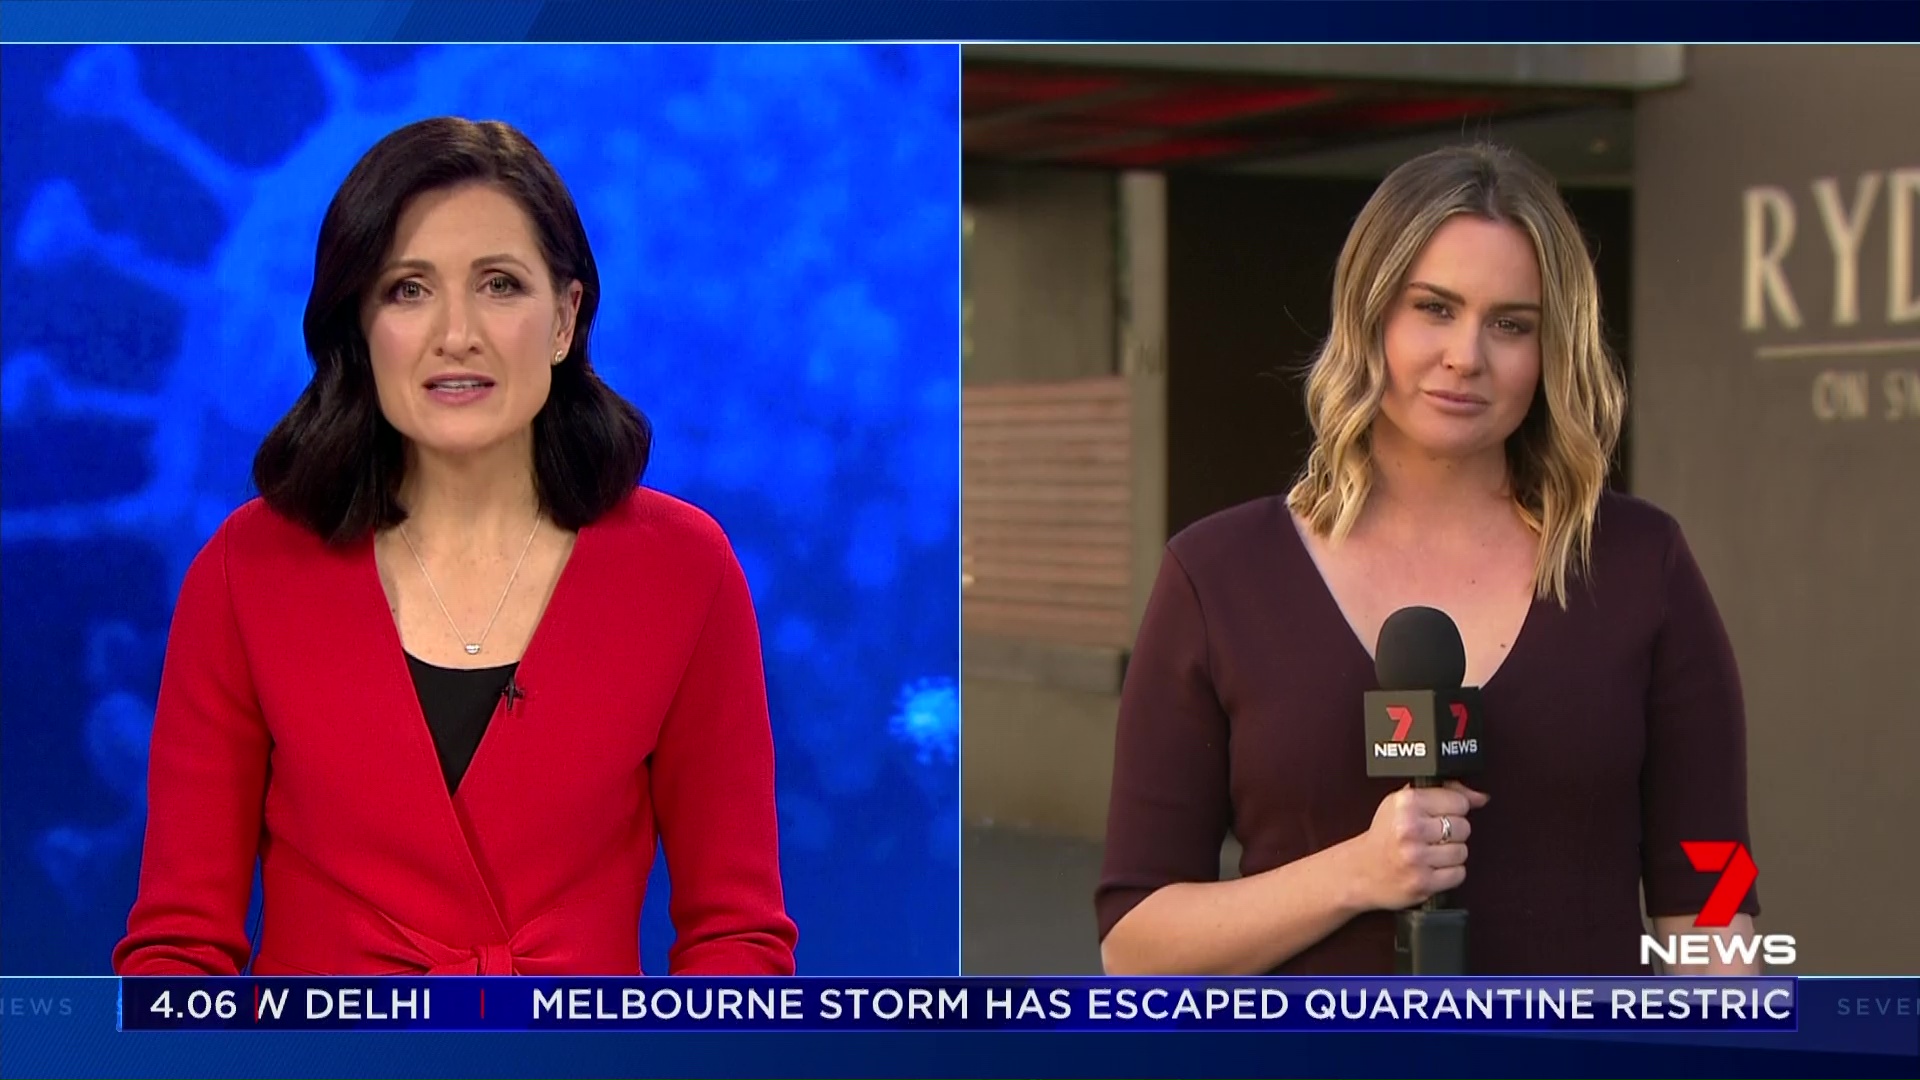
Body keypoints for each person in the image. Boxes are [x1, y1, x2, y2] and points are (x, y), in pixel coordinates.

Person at [113, 117, 797, 976]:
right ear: (360, 327)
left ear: (565, 318)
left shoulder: (682, 570)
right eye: (408, 290)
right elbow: (179, 950)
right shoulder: (246, 572)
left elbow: (735, 939)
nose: (456, 334)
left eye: (500, 285)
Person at [1096, 144, 1760, 977]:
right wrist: (1357, 873)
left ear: (1552, 350)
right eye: (1434, 308)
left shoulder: (1639, 567)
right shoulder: (1218, 578)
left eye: (1511, 324)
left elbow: (1716, 887)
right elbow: (1136, 946)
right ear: (1370, 314)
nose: (1466, 356)